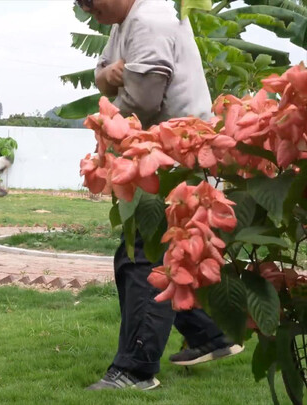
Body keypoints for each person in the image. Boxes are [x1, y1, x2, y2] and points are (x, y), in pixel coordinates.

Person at [77, 0, 244, 390]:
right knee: (141, 254)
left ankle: (135, 371)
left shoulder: (149, 23)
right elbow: (100, 74)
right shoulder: (125, 24)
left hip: (179, 161)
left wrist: (106, 119)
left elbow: (142, 103)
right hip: (165, 159)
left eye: (88, 0)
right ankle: (209, 334)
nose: (84, 8)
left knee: (143, 258)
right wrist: (109, 75)